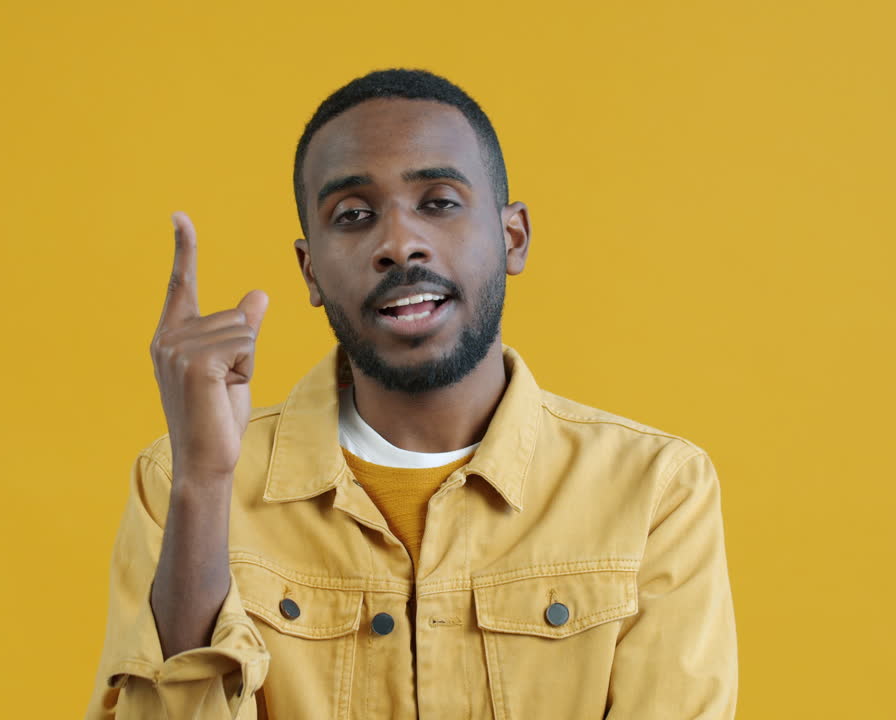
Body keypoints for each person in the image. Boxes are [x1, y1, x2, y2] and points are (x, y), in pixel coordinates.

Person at [84, 68, 737, 719]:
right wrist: (203, 484)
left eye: (438, 202)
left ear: (513, 237)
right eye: (355, 215)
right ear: (310, 271)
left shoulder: (656, 488)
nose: (398, 244)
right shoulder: (179, 482)